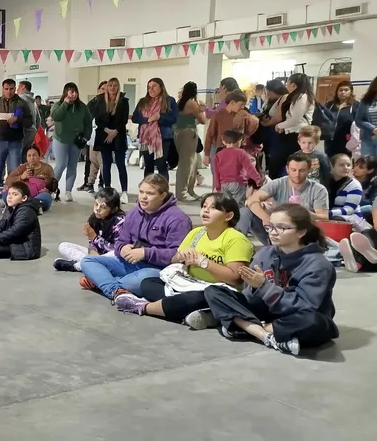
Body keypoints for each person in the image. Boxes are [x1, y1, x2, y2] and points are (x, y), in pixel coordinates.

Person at [205, 203, 339, 356]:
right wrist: (254, 288)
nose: (273, 233)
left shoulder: (318, 264)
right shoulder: (265, 254)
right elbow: (249, 298)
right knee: (214, 291)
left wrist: (264, 287)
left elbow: (305, 306)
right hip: (267, 314)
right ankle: (265, 336)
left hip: (296, 317)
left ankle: (244, 327)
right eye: (270, 227)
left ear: (301, 232)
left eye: (281, 227)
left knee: (315, 322)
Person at [115, 194, 254, 330]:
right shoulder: (197, 233)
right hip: (190, 283)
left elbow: (235, 279)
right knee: (148, 283)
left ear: (228, 216)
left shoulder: (236, 239)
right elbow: (175, 258)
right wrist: (182, 256)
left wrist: (204, 262)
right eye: (204, 206)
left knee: (195, 298)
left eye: (213, 208)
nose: (205, 211)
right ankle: (201, 313)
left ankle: (144, 307)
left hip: (216, 291)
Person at [80, 174, 192, 299]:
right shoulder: (134, 213)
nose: (143, 197)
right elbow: (120, 242)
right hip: (130, 263)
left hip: (158, 269)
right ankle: (114, 289)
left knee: (137, 282)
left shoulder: (178, 219)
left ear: (163, 195)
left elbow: (177, 255)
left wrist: (146, 253)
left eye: (150, 193)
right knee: (87, 261)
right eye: (141, 192)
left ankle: (104, 283)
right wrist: (122, 248)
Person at [238, 153, 329, 245]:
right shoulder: (278, 183)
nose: (297, 174)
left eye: (301, 170)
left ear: (309, 170)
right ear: (287, 169)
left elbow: (324, 217)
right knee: (245, 211)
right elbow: (252, 200)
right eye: (293, 170)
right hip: (275, 228)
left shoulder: (318, 189)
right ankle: (236, 244)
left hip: (301, 233)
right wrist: (266, 218)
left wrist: (305, 213)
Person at [0, 79, 34, 207]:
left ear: (15, 88)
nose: (9, 91)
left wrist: (18, 119)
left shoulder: (21, 103)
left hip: (15, 142)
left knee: (14, 171)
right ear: (2, 89)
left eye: (11, 89)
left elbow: (30, 121)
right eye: (6, 89)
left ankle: (12, 197)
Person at [53, 188, 126, 272]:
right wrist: (92, 250)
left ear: (113, 209)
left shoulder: (120, 222)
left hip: (112, 256)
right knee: (63, 246)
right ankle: (92, 263)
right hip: (98, 255)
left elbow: (118, 248)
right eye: (96, 204)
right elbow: (91, 242)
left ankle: (78, 266)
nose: (98, 209)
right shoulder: (94, 218)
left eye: (103, 207)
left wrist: (95, 238)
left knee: (115, 254)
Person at [49, 82, 93, 202]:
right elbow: (56, 117)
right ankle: (51, 189)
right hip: (60, 140)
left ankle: (68, 191)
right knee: (61, 164)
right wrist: (66, 103)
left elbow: (88, 123)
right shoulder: (58, 105)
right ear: (65, 93)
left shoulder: (83, 107)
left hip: (76, 141)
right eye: (71, 91)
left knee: (72, 165)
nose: (73, 94)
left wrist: (85, 137)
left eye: (75, 91)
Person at [92, 78, 131, 201]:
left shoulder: (124, 101)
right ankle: (107, 189)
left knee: (120, 164)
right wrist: (107, 130)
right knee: (106, 164)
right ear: (107, 87)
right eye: (110, 85)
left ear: (118, 87)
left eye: (115, 85)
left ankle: (124, 191)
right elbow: (97, 119)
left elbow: (124, 119)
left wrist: (115, 132)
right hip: (104, 134)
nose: (112, 87)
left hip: (118, 135)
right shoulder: (100, 100)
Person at [131, 78, 179, 178]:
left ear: (161, 87)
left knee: (161, 164)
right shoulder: (143, 102)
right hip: (145, 138)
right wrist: (147, 120)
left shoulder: (169, 100)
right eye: (149, 87)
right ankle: (149, 189)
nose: (151, 89)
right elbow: (135, 118)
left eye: (154, 86)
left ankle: (163, 190)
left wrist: (160, 117)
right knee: (148, 165)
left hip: (163, 137)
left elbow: (174, 119)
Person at [271, 73, 316, 179]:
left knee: (280, 163)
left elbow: (295, 119)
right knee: (280, 163)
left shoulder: (302, 97)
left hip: (296, 135)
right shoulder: (295, 96)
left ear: (294, 85)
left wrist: (279, 125)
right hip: (290, 134)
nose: (286, 86)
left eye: (288, 83)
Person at [175, 82, 209, 200]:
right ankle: (183, 193)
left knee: (192, 163)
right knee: (187, 164)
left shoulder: (180, 103)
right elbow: (203, 120)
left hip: (178, 133)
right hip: (188, 134)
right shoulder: (192, 104)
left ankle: (190, 191)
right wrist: (203, 110)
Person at [214, 129, 263, 205]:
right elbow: (249, 168)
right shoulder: (241, 152)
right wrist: (258, 179)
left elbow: (216, 172)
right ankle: (239, 217)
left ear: (223, 141)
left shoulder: (218, 155)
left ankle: (228, 216)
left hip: (224, 184)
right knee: (239, 205)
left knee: (226, 205)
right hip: (238, 183)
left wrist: (217, 186)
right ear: (238, 141)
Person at [325, 80, 358, 158]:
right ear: (337, 92)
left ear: (351, 92)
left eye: (346, 90)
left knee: (344, 161)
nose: (343, 92)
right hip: (330, 140)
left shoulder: (356, 105)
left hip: (347, 140)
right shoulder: (330, 105)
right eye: (340, 90)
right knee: (330, 162)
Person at [328, 153, 362, 219]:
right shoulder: (325, 182)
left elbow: (349, 210)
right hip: (327, 216)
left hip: (350, 218)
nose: (346, 167)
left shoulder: (354, 185)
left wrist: (327, 213)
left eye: (348, 165)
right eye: (341, 165)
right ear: (331, 167)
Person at [17, 80, 41, 157]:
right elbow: (38, 119)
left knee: (18, 156)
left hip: (23, 132)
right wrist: (34, 129)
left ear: (22, 87)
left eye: (18, 87)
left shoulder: (20, 98)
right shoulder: (33, 101)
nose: (17, 89)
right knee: (26, 157)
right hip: (32, 132)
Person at [354, 77, 377, 158]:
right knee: (367, 166)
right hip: (367, 139)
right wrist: (373, 128)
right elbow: (358, 120)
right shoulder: (365, 101)